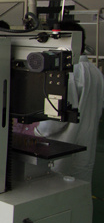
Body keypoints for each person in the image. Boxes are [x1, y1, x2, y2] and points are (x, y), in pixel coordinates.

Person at [35, 21, 104, 182]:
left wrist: (36, 133)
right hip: (85, 151)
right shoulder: (96, 72)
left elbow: (54, 121)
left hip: (60, 151)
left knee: (55, 187)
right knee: (78, 188)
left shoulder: (67, 72)